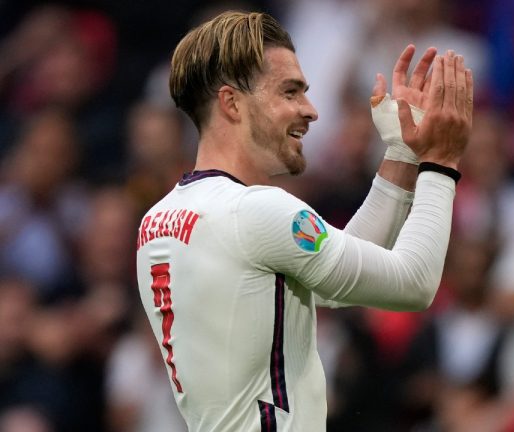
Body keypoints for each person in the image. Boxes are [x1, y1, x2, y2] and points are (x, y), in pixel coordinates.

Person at [135, 10, 473, 432]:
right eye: (290, 92)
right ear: (232, 103)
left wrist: (403, 153)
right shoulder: (256, 211)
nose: (312, 111)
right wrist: (440, 161)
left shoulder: (159, 220)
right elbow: (415, 282)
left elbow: (335, 281)